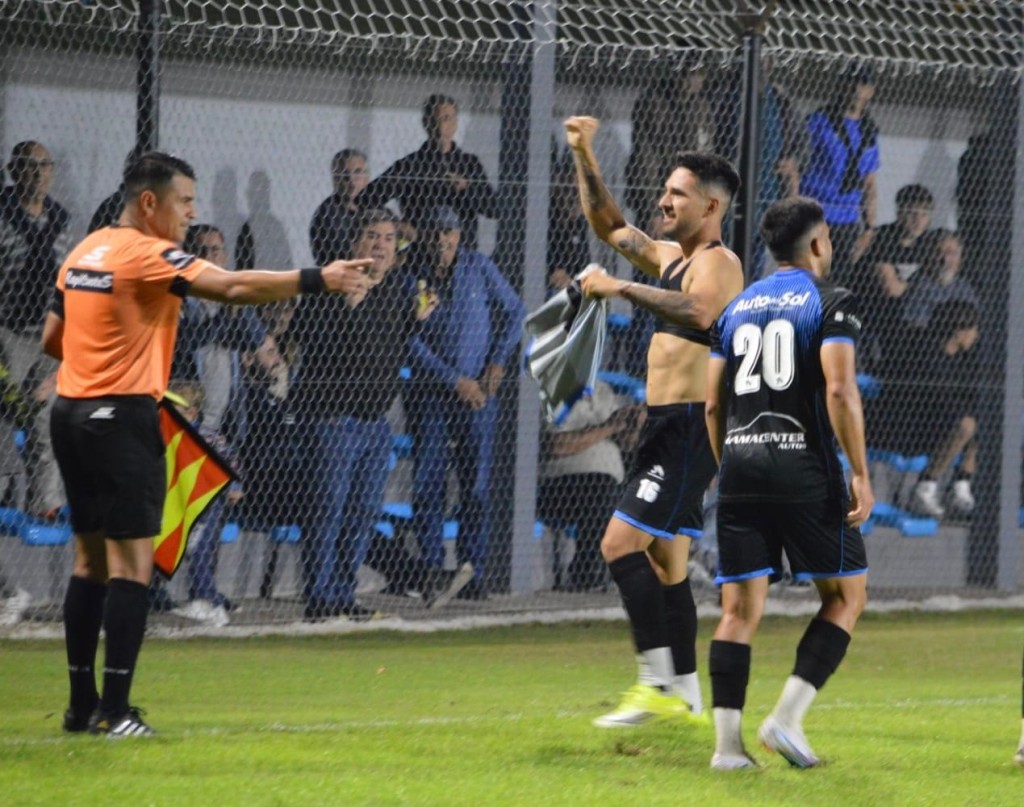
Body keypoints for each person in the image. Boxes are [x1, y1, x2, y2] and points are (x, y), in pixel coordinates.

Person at [45, 151, 371, 738]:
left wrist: (105, 357)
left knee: (89, 561)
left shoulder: (84, 251)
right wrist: (317, 278)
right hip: (121, 417)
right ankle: (116, 712)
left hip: (70, 415)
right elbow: (231, 284)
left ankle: (79, 705)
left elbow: (53, 339)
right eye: (185, 202)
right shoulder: (147, 251)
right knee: (131, 568)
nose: (192, 215)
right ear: (149, 203)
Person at [564, 115, 744, 726]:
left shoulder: (720, 264)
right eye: (666, 191)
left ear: (711, 205)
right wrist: (584, 152)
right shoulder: (669, 256)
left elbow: (697, 312)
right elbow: (610, 225)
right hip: (666, 425)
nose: (664, 200)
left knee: (619, 544)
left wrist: (617, 289)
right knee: (668, 563)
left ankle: (653, 685)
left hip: (692, 428)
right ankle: (688, 694)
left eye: (679, 193)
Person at [704, 196, 872, 770]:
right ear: (819, 243)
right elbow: (840, 390)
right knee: (847, 595)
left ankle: (728, 749)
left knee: (738, 609)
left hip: (740, 466)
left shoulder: (735, 308)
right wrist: (861, 473)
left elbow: (711, 404)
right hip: (803, 469)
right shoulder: (830, 302)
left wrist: (727, 464)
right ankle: (787, 720)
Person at [291, 208, 437, 622]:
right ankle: (319, 600)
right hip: (334, 420)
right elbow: (306, 336)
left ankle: (342, 594)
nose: (380, 244)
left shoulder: (396, 288)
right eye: (372, 235)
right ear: (355, 242)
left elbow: (389, 344)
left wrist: (417, 320)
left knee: (361, 515)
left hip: (375, 423)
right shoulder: (333, 281)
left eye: (389, 238)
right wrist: (348, 308)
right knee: (327, 511)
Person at [404, 205, 524, 602]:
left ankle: (472, 571)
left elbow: (515, 311)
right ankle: (433, 571)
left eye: (450, 232)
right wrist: (455, 380)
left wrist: (497, 359)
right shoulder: (413, 276)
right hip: (433, 394)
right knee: (428, 483)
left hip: (477, 394)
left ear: (459, 235)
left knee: (476, 484)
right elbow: (409, 341)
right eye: (437, 232)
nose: (444, 239)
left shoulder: (478, 267)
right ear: (425, 234)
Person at [0, 140, 72, 521]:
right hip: (8, 329)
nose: (39, 173)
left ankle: (45, 501)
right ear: (14, 171)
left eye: (45, 165)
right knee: (7, 409)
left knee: (48, 417)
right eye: (29, 165)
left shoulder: (61, 220)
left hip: (48, 331)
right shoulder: (3, 215)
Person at [872, 300, 980, 519]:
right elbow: (940, 401)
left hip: (936, 425)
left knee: (983, 419)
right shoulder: (926, 355)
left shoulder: (962, 360)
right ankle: (925, 487)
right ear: (958, 332)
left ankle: (961, 487)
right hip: (907, 429)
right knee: (966, 425)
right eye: (973, 329)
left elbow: (966, 398)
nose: (976, 335)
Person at [357, 94, 499, 250]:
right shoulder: (410, 166)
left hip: (463, 254)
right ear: (425, 123)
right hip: (421, 254)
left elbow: (495, 209)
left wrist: (467, 187)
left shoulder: (469, 164)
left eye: (446, 118)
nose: (441, 126)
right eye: (434, 119)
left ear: (455, 124)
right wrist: (397, 225)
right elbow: (365, 200)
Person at [538, 380, 642, 591]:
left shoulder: (602, 388)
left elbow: (625, 443)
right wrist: (609, 427)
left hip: (612, 480)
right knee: (602, 490)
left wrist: (634, 425)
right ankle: (587, 574)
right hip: (560, 486)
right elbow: (555, 446)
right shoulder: (553, 387)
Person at [800, 62, 880, 285]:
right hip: (817, 214)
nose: (856, 88)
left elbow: (870, 184)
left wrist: (869, 228)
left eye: (863, 83)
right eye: (851, 81)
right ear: (841, 85)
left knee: (837, 286)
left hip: (847, 220)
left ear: (871, 91)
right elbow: (798, 164)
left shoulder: (869, 131)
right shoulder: (820, 121)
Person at [854, 184, 934, 365]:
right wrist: (920, 286)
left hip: (909, 326)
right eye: (912, 213)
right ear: (899, 213)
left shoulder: (928, 244)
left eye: (924, 215)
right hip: (874, 320)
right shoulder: (883, 238)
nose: (918, 221)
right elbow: (891, 288)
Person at [309, 148, 370, 266]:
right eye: (345, 175)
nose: (352, 181)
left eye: (357, 172)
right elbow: (344, 256)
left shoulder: (375, 207)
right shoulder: (328, 215)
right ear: (335, 178)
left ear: (367, 177)